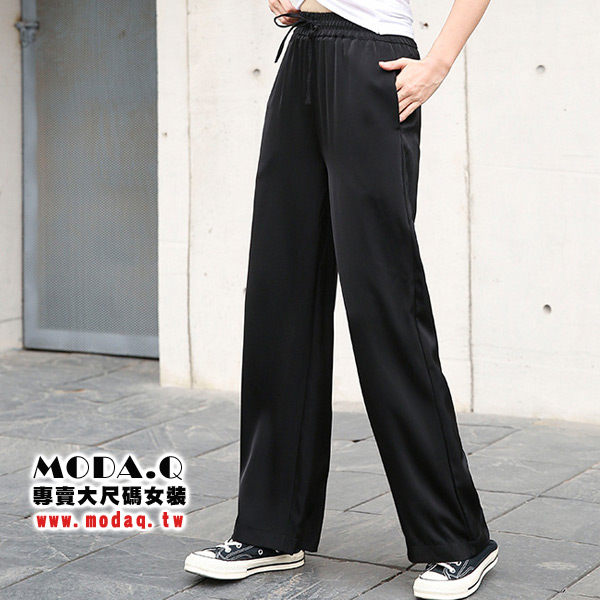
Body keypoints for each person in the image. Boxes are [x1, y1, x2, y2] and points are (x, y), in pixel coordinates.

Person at [184, 0, 498, 598]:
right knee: (280, 300)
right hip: (301, 54)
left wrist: (438, 62)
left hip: (371, 62)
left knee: (384, 302)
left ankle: (458, 538)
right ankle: (272, 530)